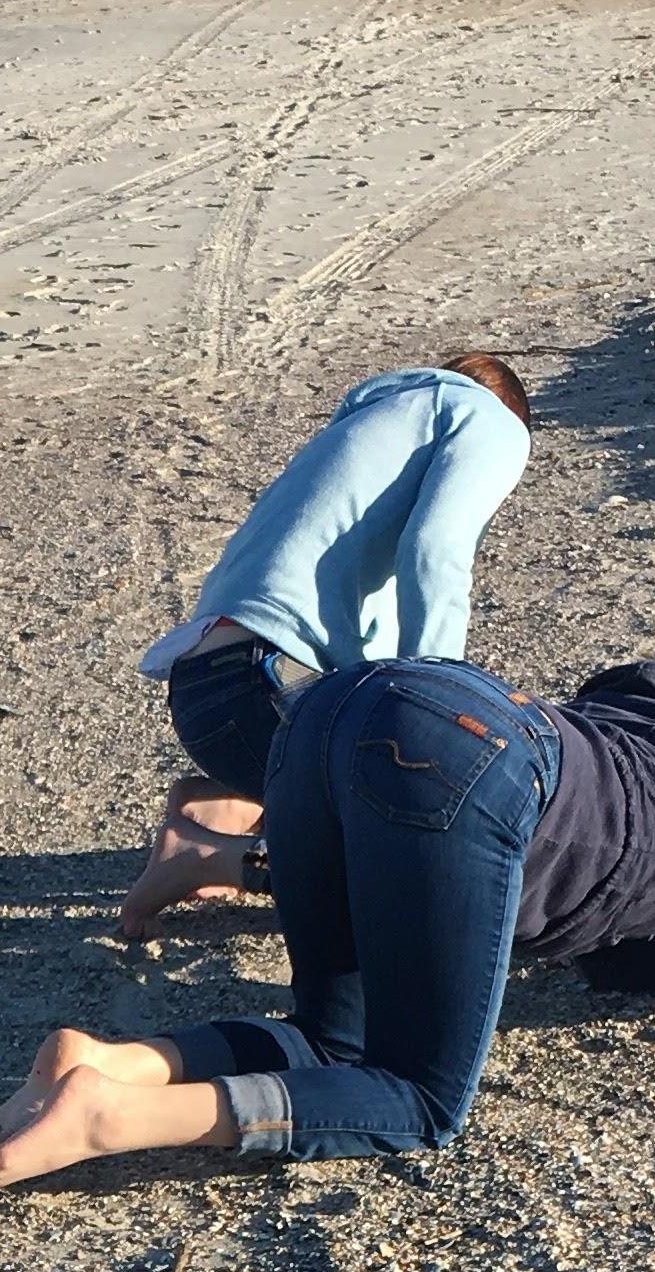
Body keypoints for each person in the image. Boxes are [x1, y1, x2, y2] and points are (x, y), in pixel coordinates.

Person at [0, 631, 655, 1193]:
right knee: (420, 1097)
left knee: (332, 1036)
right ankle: (112, 1117)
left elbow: (612, 949)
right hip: (471, 752)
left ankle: (113, 1060)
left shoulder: (616, 741)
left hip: (342, 709)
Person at [125, 355, 536, 927]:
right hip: (263, 682)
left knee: (360, 741)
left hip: (208, 690)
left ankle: (226, 803)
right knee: (407, 853)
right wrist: (442, 705)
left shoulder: (365, 430)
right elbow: (434, 550)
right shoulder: (490, 421)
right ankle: (210, 858)